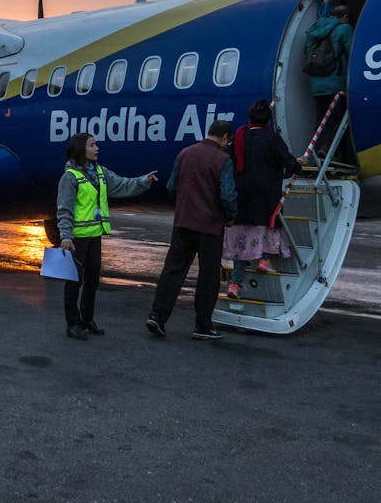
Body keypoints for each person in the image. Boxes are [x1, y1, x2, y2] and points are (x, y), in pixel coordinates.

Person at [55, 132, 157, 340]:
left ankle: (87, 320)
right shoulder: (70, 177)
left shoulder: (100, 172)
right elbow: (64, 209)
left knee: (92, 281)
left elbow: (121, 185)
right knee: (74, 282)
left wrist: (143, 180)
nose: (97, 148)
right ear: (81, 149)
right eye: (92, 145)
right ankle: (72, 324)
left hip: (95, 236)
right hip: (77, 239)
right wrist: (66, 236)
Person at [145, 119, 238, 340]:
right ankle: (203, 326)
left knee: (173, 270)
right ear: (224, 137)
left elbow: (171, 186)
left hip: (183, 223)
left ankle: (157, 316)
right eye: (228, 141)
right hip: (210, 226)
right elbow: (227, 195)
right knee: (208, 275)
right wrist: (231, 216)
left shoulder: (184, 153)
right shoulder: (223, 159)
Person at [224, 100, 306, 296]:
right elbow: (290, 164)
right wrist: (300, 163)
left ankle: (235, 284)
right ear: (268, 121)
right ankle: (264, 259)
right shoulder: (272, 139)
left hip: (242, 197)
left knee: (240, 241)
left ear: (249, 118)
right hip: (266, 196)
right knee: (269, 228)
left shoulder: (239, 138)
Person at [302, 1, 354, 162]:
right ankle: (332, 152)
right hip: (336, 83)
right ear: (345, 16)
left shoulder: (316, 30)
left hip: (317, 85)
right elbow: (351, 52)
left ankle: (319, 151)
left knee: (321, 120)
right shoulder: (344, 29)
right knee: (337, 120)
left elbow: (307, 52)